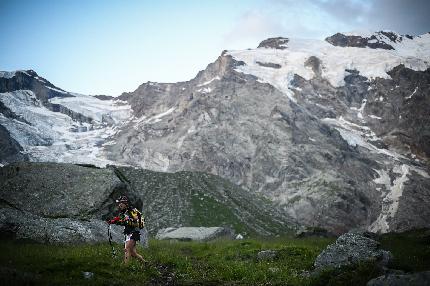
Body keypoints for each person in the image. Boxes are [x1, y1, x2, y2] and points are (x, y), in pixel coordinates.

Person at [107, 195, 145, 264]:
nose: (119, 205)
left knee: (127, 249)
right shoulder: (123, 212)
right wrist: (113, 221)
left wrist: (128, 220)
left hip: (134, 232)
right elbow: (122, 222)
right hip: (128, 233)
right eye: (119, 203)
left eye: (121, 203)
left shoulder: (131, 210)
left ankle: (125, 266)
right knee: (133, 253)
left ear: (125, 203)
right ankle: (145, 263)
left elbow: (136, 219)